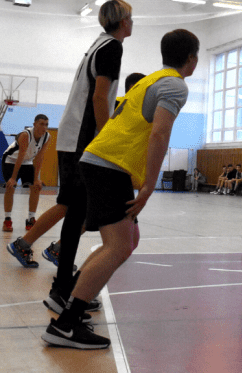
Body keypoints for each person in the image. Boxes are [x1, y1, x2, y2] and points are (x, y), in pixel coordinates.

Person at [41, 28, 199, 350]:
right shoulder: (175, 85)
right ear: (191, 58)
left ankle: (71, 300)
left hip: (101, 161)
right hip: (108, 165)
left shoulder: (150, 80)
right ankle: (66, 324)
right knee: (118, 246)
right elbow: (159, 134)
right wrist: (150, 186)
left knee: (125, 241)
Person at [40, 0, 132, 319]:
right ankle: (62, 290)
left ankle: (63, 287)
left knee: (75, 213)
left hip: (71, 137)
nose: (132, 22)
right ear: (123, 21)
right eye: (130, 17)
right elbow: (99, 96)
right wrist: (107, 141)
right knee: (78, 213)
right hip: (83, 139)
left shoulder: (97, 44)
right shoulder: (112, 48)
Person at [8, 70, 142, 270]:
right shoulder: (117, 105)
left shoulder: (128, 108)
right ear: (135, 88)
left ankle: (55, 248)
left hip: (95, 160)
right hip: (88, 157)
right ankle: (30, 245)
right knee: (70, 205)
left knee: (86, 210)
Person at [3, 114, 51, 238]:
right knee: (10, 187)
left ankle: (31, 219)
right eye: (41, 124)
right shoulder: (26, 135)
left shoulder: (47, 137)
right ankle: (7, 220)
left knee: (36, 187)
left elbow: (39, 157)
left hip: (27, 161)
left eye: (46, 124)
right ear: (34, 124)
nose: (44, 127)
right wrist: (13, 178)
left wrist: (36, 179)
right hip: (11, 160)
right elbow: (20, 156)